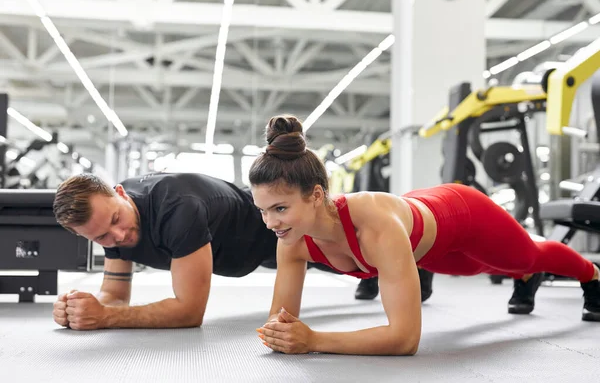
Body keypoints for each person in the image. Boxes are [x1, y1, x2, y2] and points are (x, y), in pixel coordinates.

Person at [249, 114, 600, 356]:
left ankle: (591, 275)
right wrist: (282, 333)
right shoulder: (292, 241)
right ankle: (521, 278)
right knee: (477, 268)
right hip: (426, 246)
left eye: (280, 208)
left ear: (314, 195)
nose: (271, 223)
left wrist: (312, 340)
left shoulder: (375, 226)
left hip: (462, 213)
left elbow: (405, 339)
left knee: (527, 256)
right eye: (263, 210)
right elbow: (278, 322)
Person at [51, 172, 361, 330]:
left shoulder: (177, 210)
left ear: (120, 194)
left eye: (116, 220)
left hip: (263, 230)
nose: (118, 236)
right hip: (232, 252)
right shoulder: (109, 222)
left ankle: (385, 266)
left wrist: (105, 317)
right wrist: (78, 309)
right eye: (102, 237)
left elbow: (189, 311)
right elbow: (115, 297)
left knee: (345, 254)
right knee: (333, 260)